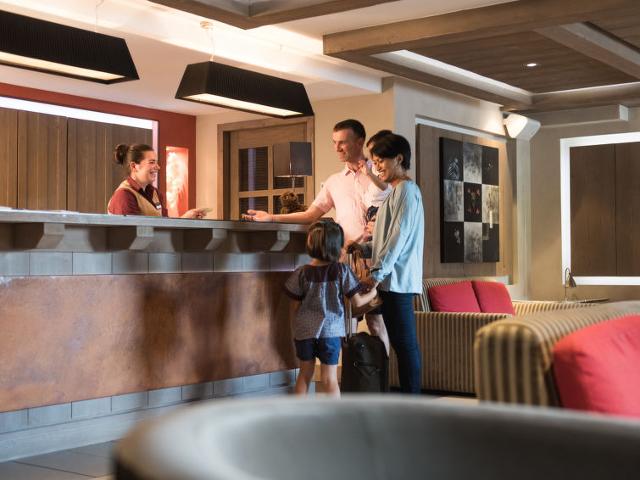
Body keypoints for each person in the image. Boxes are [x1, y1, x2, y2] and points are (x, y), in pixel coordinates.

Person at [243, 120, 391, 353]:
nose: (337, 148)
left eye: (342, 142)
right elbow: (311, 214)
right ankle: (351, 373)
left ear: (359, 142)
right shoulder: (334, 182)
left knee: (376, 321)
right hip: (345, 262)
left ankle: (384, 374)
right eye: (334, 142)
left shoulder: (380, 175)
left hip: (376, 262)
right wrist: (271, 217)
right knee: (347, 324)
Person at [353, 131, 424, 394]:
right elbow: (386, 239)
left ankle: (410, 401)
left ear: (399, 159)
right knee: (401, 345)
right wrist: (363, 247)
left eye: (380, 160)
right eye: (374, 161)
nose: (376, 167)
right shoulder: (397, 192)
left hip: (397, 281)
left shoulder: (406, 190)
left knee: (405, 346)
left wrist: (377, 274)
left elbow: (399, 237)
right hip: (392, 280)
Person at [284, 220, 378, 397]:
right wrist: (373, 293)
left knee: (304, 375)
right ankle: (335, 414)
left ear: (311, 243)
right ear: (337, 245)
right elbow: (358, 302)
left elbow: (294, 307)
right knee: (329, 379)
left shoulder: (301, 272)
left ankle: (298, 413)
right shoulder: (342, 271)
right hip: (331, 331)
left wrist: (294, 331)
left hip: (304, 332)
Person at [108, 143, 208, 218]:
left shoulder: (155, 193)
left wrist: (186, 218)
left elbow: (165, 225)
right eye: (152, 162)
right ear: (134, 166)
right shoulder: (124, 196)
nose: (158, 167)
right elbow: (132, 234)